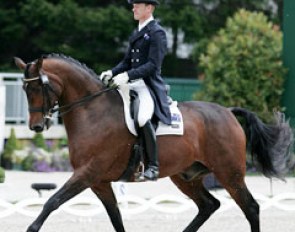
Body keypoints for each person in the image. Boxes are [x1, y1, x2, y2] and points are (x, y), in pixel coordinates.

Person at [100, 0, 171, 181]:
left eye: (138, 5)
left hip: (147, 85)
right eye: (134, 5)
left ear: (149, 8)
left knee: (142, 117)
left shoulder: (157, 33)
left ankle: (153, 166)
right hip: (131, 83)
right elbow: (126, 62)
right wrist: (112, 72)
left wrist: (127, 76)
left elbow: (153, 65)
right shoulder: (137, 32)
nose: (133, 8)